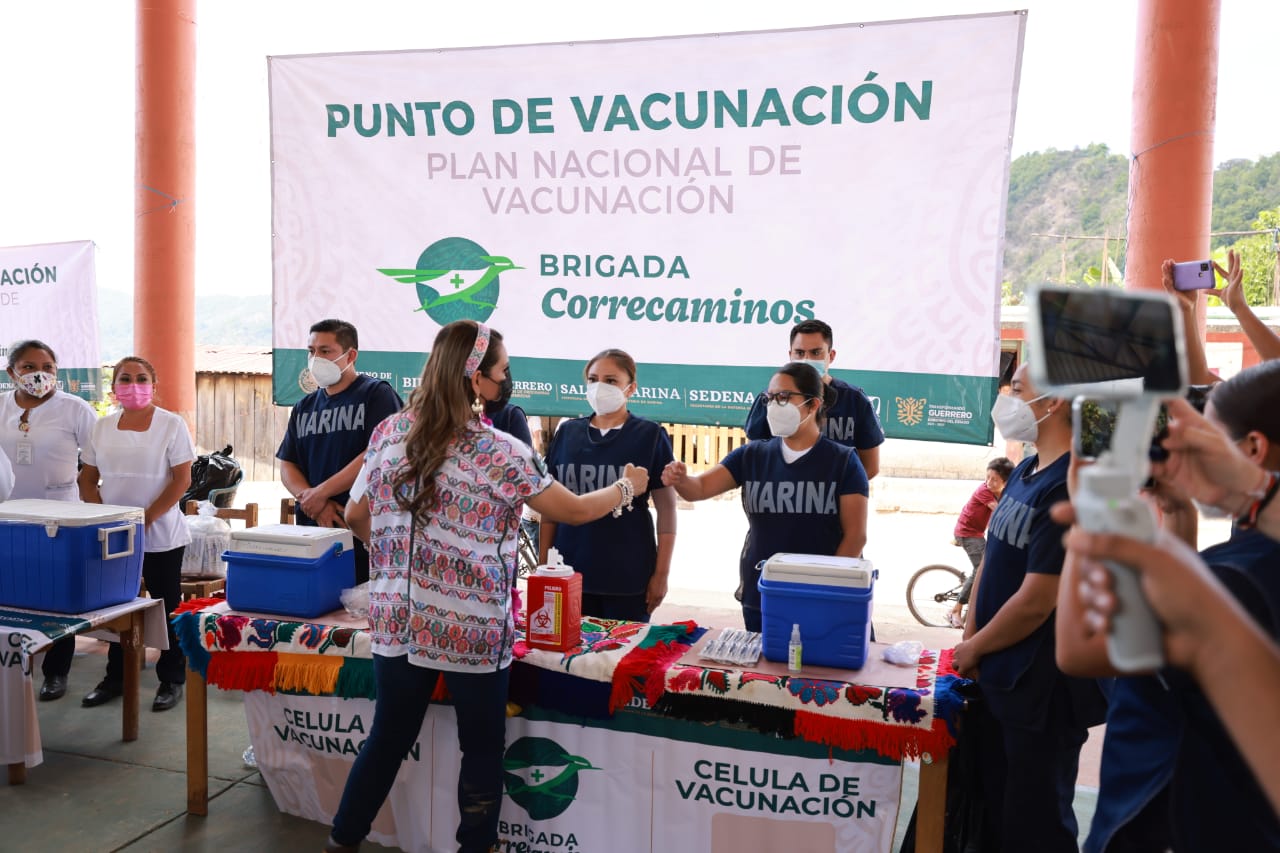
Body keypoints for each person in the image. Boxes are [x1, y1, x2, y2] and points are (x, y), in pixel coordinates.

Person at [326, 321, 650, 853]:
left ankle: (342, 840)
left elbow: (358, 513)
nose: (507, 381)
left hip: (397, 619)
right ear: (475, 379)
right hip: (469, 625)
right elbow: (570, 509)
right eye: (502, 372)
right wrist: (626, 487)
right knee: (480, 746)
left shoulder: (387, 434)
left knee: (386, 739)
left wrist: (396, 564)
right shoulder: (499, 450)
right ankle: (476, 846)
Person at [1056, 361, 1280, 851]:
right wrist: (1182, 510)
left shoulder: (1238, 578)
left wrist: (1090, 507)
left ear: (1253, 450)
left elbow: (1079, 649)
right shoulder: (1245, 563)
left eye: (1207, 432)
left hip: (1167, 817)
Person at [953, 364, 1106, 853]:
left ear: (1054, 402)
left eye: (1017, 390)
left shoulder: (1072, 487)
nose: (1006, 399)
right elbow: (993, 562)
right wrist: (971, 642)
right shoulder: (1023, 469)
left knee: (1034, 823)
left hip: (1041, 690)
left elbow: (1037, 600)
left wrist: (976, 646)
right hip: (997, 675)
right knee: (993, 813)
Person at [1059, 519, 1280, 818]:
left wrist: (1080, 537)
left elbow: (1077, 652)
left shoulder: (1243, 571)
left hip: (1167, 794)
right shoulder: (1245, 562)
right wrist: (1178, 515)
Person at [662, 362, 868, 632]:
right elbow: (698, 489)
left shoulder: (843, 462)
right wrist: (680, 479)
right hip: (763, 591)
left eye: (783, 397)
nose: (773, 405)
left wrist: (825, 590)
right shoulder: (752, 455)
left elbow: (856, 537)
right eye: (769, 398)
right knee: (764, 671)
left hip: (820, 596)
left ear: (813, 404)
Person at [77, 356, 195, 712]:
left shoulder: (171, 425)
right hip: (113, 536)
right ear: (113, 388)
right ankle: (116, 676)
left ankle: (171, 677)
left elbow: (182, 479)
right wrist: (107, 517)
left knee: (166, 604)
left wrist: (144, 518)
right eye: (124, 378)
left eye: (141, 378)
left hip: (160, 534)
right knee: (115, 608)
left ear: (154, 386)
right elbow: (87, 479)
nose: (133, 384)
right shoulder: (102, 427)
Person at [539, 349, 677, 622]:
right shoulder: (568, 433)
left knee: (621, 658)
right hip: (568, 572)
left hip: (628, 578)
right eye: (593, 379)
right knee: (566, 659)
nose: (599, 387)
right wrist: (544, 566)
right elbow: (550, 509)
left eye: (611, 380)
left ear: (630, 388)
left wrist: (661, 575)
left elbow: (668, 511)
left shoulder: (650, 435)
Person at [1, 339, 97, 702]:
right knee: (11, 591)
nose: (38, 374)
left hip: (60, 516)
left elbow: (95, 461)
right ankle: (15, 664)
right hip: (9, 515)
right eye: (28, 367)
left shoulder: (75, 409)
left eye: (48, 367)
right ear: (12, 372)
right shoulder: (1, 406)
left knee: (57, 594)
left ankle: (57, 672)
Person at [277, 319, 402, 585]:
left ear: (351, 355)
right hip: (315, 531)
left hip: (365, 531)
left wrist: (322, 493)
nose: (315, 358)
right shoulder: (304, 407)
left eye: (325, 351)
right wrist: (314, 503)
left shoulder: (376, 394)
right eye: (311, 351)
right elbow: (288, 464)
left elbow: (377, 452)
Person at [743, 319, 885, 479]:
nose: (806, 359)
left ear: (831, 356)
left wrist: (841, 494)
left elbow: (870, 467)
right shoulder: (769, 399)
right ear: (790, 355)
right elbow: (754, 459)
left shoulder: (855, 400)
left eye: (816, 353)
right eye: (800, 353)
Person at [946, 457, 1014, 628]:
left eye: (994, 479)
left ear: (1004, 481)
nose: (989, 482)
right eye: (988, 477)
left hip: (977, 532)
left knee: (990, 564)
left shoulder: (1002, 491)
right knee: (982, 568)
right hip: (967, 533)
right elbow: (1000, 511)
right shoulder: (984, 491)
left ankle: (973, 596)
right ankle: (956, 608)